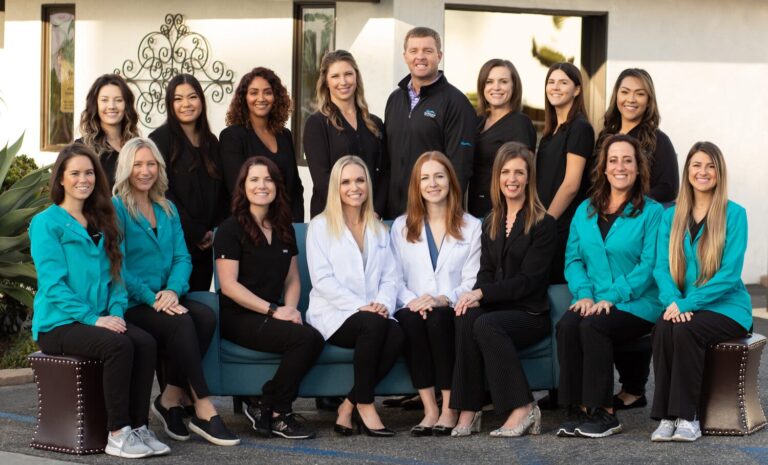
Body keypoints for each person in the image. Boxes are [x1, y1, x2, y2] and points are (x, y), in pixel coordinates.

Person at [30, 143, 167, 458]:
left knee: (145, 342)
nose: (83, 179)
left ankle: (138, 426)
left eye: (89, 172)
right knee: (118, 346)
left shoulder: (102, 219)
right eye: (75, 173)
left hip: (100, 318)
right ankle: (118, 433)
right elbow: (53, 285)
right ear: (61, 179)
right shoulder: (46, 223)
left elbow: (116, 276)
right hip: (60, 323)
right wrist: (94, 318)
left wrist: (116, 313)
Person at [112, 138, 239, 446]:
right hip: (134, 301)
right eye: (138, 165)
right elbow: (118, 264)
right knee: (183, 322)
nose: (145, 171)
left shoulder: (166, 208)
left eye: (151, 164)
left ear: (159, 167)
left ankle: (169, 397)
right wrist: (152, 297)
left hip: (167, 295)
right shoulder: (116, 207)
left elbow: (183, 257)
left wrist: (171, 289)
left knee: (206, 317)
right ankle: (204, 407)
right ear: (127, 168)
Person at [555, 134, 663, 438]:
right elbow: (573, 260)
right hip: (595, 299)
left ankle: (605, 412)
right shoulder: (585, 210)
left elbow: (649, 265)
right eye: (613, 160)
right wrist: (585, 295)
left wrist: (612, 297)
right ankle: (577, 408)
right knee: (567, 325)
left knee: (593, 327)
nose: (620, 166)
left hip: (639, 302)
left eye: (628, 160)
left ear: (638, 168)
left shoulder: (652, 212)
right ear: (603, 168)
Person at [450, 142, 557, 437]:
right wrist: (473, 296)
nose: (512, 179)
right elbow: (485, 272)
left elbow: (529, 281)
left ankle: (523, 407)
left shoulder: (544, 223)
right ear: (497, 177)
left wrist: (483, 295)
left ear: (528, 178)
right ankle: (468, 410)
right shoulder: (491, 221)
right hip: (498, 308)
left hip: (529, 314)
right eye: (506, 172)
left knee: (485, 322)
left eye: (519, 172)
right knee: (464, 314)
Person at [215, 156, 324, 439]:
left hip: (272, 313)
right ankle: (279, 413)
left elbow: (292, 279)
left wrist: (289, 309)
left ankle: (266, 403)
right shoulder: (230, 229)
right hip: (236, 315)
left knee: (311, 336)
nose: (261, 185)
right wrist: (275, 312)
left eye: (268, 179)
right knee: (307, 339)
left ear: (277, 186)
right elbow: (228, 285)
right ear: (243, 186)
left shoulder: (284, 227)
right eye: (254, 179)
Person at [650, 142, 751, 442]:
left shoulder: (735, 214)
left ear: (719, 173)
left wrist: (687, 302)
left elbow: (729, 274)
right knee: (662, 327)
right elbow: (660, 268)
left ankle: (687, 416)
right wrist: (673, 301)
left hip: (728, 307)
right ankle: (667, 417)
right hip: (684, 304)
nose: (703, 172)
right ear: (687, 171)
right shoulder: (671, 216)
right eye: (696, 165)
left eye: (710, 166)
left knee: (685, 331)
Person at [596, 68, 679, 411]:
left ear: (649, 100)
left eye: (640, 93)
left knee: (632, 303)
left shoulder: (658, 140)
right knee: (603, 303)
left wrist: (630, 205)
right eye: (625, 91)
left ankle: (633, 387)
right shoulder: (604, 137)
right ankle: (623, 388)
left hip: (638, 231)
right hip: (604, 229)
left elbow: (669, 188)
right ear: (616, 95)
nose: (631, 99)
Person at [306, 156, 405, 437]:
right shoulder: (320, 226)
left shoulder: (378, 228)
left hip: (373, 312)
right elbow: (322, 280)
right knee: (373, 325)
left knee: (397, 334)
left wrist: (382, 304)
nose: (354, 187)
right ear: (336, 187)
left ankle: (348, 405)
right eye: (346, 181)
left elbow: (391, 276)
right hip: (335, 315)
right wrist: (361, 307)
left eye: (360, 180)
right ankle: (365, 403)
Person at [390, 151, 481, 436]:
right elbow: (393, 277)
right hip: (412, 303)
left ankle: (450, 407)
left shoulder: (472, 225)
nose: (433, 183)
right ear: (416, 185)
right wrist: (414, 301)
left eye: (439, 176)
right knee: (412, 321)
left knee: (440, 320)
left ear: (451, 181)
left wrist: (442, 299)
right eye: (425, 178)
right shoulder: (401, 226)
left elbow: (471, 278)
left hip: (450, 305)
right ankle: (429, 408)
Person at [384, 26, 477, 218]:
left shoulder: (456, 103)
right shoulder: (394, 99)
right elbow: (388, 160)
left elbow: (460, 166)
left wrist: (444, 213)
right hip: (394, 214)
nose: (420, 57)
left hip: (433, 214)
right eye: (413, 51)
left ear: (439, 55)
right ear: (405, 56)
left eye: (428, 51)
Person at [149, 74, 226, 291]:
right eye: (178, 99)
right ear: (170, 104)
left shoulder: (212, 142)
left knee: (200, 302)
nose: (186, 104)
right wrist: (195, 232)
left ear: (201, 100)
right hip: (175, 241)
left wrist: (214, 231)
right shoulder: (159, 139)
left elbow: (222, 191)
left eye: (192, 97)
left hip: (207, 244)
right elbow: (161, 191)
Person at [304, 50, 388, 218]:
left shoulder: (375, 124)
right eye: (335, 76)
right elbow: (322, 179)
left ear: (356, 77)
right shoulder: (317, 124)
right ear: (326, 82)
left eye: (348, 74)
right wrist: (351, 212)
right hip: (332, 218)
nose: (343, 81)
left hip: (370, 218)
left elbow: (385, 173)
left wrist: (375, 210)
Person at [536, 62, 594, 283]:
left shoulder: (580, 128)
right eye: (551, 82)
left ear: (577, 90)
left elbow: (571, 185)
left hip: (562, 226)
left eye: (563, 82)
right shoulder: (551, 132)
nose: (555, 87)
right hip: (546, 221)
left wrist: (546, 222)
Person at [220, 67, 304, 222]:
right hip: (250, 226)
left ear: (276, 97)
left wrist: (295, 224)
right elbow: (237, 190)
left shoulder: (285, 135)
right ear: (244, 98)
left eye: (267, 92)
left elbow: (295, 188)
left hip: (286, 226)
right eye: (253, 93)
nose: (261, 98)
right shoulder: (232, 136)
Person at [468, 59, 536, 217]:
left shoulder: (520, 124)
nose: (496, 87)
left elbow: (525, 173)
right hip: (475, 211)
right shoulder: (478, 122)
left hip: (503, 213)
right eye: (489, 82)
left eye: (503, 81)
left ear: (514, 86)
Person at [78, 74, 140, 188]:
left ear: (127, 105)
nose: (111, 106)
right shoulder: (82, 148)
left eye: (118, 100)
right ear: (95, 104)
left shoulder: (137, 147)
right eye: (104, 100)